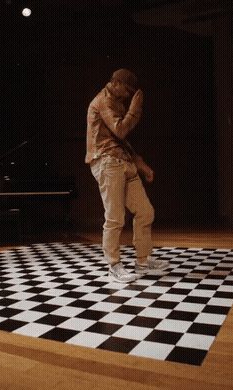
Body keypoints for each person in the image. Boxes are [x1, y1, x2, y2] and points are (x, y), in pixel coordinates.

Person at [86, 68, 169, 283]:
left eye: (131, 92)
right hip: (106, 162)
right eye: (127, 89)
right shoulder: (102, 100)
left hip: (122, 161)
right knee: (115, 217)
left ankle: (142, 261)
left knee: (145, 211)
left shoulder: (118, 103)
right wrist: (134, 110)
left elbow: (121, 140)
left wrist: (140, 164)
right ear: (116, 82)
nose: (128, 94)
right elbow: (120, 130)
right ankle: (113, 266)